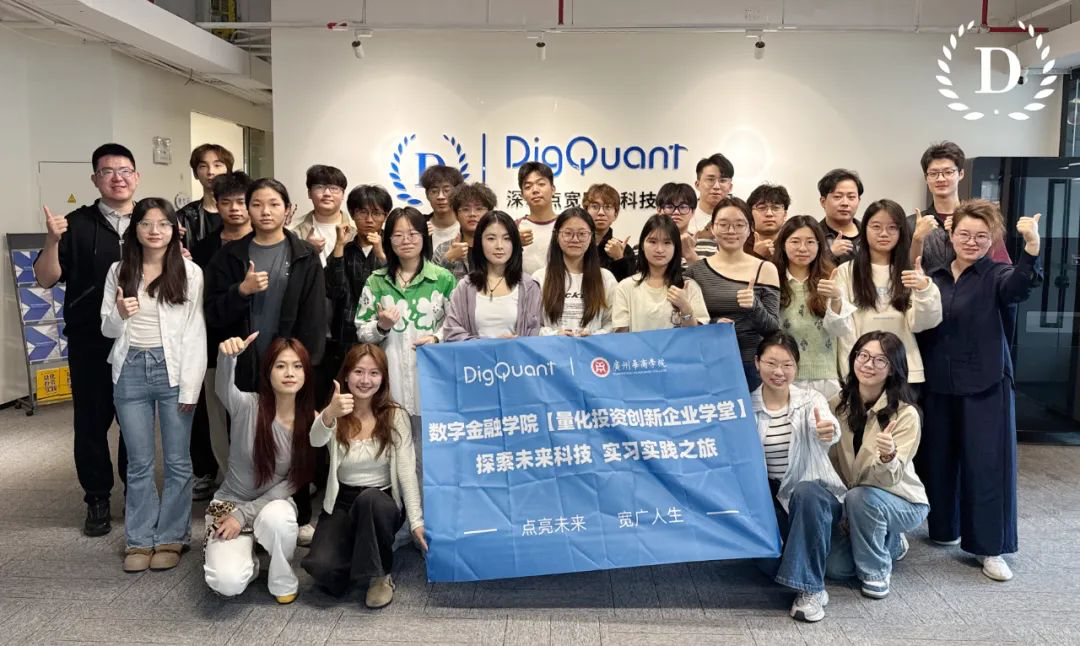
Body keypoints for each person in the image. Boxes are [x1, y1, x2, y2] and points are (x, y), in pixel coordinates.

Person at [915, 199, 1042, 582]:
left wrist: (1031, 247)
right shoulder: (935, 276)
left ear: (992, 240)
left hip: (986, 383)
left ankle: (990, 548)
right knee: (938, 460)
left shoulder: (998, 274)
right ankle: (944, 527)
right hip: (938, 384)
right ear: (951, 235)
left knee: (986, 465)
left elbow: (1019, 286)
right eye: (965, 234)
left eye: (981, 236)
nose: (972, 242)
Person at [203, 177, 326, 545]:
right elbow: (212, 313)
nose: (265, 211)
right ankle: (243, 516)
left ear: (287, 209)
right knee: (248, 442)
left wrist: (303, 367)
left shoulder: (304, 255)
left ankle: (295, 516)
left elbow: (314, 317)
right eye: (257, 204)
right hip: (245, 368)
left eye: (274, 204)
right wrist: (241, 291)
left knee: (294, 441)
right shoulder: (229, 256)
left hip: (288, 369)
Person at [33, 143, 137, 537]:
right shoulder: (76, 224)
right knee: (92, 422)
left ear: (136, 176)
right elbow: (45, 278)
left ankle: (136, 492)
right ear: (95, 179)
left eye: (124, 170)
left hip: (141, 340)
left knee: (136, 422)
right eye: (108, 171)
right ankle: (96, 497)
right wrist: (52, 240)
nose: (117, 178)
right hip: (91, 339)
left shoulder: (152, 220)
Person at [100, 198, 206, 572]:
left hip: (173, 370)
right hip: (130, 368)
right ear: (135, 229)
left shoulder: (189, 271)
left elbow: (195, 332)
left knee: (177, 461)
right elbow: (107, 329)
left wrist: (191, 387)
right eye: (146, 223)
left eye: (163, 224)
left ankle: (172, 536)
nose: (154, 231)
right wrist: (119, 313)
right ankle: (140, 539)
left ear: (174, 229)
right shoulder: (119, 270)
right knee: (139, 462)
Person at [301, 344, 426, 608]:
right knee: (323, 570)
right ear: (346, 375)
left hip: (381, 501)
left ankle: (380, 576)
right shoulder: (337, 410)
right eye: (358, 372)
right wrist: (329, 414)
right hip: (342, 501)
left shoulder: (395, 415)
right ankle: (359, 550)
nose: (365, 380)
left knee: (370, 500)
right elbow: (315, 440)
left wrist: (416, 521)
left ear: (383, 379)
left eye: (374, 373)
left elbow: (407, 472)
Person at [203, 333, 315, 604]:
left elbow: (291, 483)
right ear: (268, 372)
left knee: (280, 519)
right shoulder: (247, 405)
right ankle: (249, 561)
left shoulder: (310, 422)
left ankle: (281, 577)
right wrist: (227, 357)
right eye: (281, 366)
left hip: (271, 504)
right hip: (229, 503)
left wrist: (243, 516)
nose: (290, 373)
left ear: (306, 373)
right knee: (227, 583)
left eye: (297, 366)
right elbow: (222, 387)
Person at [750, 333, 845, 623]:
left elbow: (826, 425)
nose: (779, 371)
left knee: (806, 491)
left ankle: (811, 591)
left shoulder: (811, 400)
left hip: (814, 497)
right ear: (757, 363)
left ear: (796, 367)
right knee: (771, 566)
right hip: (772, 500)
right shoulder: (747, 406)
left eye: (787, 364)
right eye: (771, 363)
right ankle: (806, 567)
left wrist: (828, 430)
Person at [827, 331, 928, 600]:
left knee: (861, 498)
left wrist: (888, 457)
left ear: (893, 368)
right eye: (863, 356)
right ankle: (890, 542)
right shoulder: (838, 405)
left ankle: (876, 571)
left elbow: (889, 479)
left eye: (880, 360)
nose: (868, 364)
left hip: (902, 501)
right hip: (855, 501)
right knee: (836, 568)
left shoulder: (905, 414)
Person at [355, 207, 457, 421]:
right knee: (395, 435)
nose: (406, 241)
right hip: (390, 382)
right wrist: (381, 326)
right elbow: (362, 332)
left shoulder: (443, 279)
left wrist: (436, 338)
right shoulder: (376, 281)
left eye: (413, 234)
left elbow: (457, 325)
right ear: (388, 240)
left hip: (433, 379)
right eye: (398, 235)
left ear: (424, 236)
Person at [831, 200, 941, 388]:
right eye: (876, 226)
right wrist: (851, 371)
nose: (884, 233)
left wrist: (924, 290)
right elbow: (843, 331)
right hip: (861, 372)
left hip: (904, 370)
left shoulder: (910, 272)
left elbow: (922, 323)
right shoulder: (847, 271)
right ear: (864, 229)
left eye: (892, 227)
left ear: (901, 232)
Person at [190, 171, 252, 500]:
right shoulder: (203, 249)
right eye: (226, 202)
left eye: (241, 201)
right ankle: (229, 482)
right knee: (218, 417)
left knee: (255, 416)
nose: (235, 209)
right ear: (216, 204)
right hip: (215, 343)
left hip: (257, 343)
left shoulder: (267, 241)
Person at [685, 196, 781, 391]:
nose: (731, 231)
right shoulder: (695, 271)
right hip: (707, 366)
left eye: (739, 225)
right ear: (712, 228)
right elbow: (685, 324)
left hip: (752, 368)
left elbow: (772, 328)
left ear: (750, 229)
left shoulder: (765, 269)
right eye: (723, 224)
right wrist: (713, 324)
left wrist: (754, 305)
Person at [909, 141, 1011, 274]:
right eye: (933, 173)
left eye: (948, 172)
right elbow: (904, 271)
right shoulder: (911, 224)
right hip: (927, 287)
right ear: (926, 178)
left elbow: (1002, 269)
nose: (940, 179)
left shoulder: (983, 218)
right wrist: (917, 238)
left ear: (961, 174)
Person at [773, 216, 846, 399]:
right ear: (783, 244)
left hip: (825, 376)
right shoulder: (772, 278)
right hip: (783, 376)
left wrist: (836, 298)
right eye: (795, 241)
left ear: (820, 245)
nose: (803, 248)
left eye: (810, 242)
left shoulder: (832, 277)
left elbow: (840, 331)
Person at [443, 211, 542, 340]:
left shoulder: (529, 286)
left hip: (516, 354)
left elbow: (535, 333)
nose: (499, 246)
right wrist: (491, 345)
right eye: (491, 238)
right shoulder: (466, 286)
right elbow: (452, 332)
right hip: (475, 354)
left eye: (507, 239)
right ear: (480, 242)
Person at [326, 185, 390, 368]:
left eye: (376, 213)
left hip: (386, 332)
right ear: (352, 215)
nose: (369, 219)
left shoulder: (394, 248)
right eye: (362, 212)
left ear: (386, 216)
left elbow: (397, 286)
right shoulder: (344, 250)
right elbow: (334, 291)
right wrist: (339, 246)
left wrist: (381, 254)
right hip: (347, 334)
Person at [611, 214, 708, 332]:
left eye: (667, 243)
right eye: (652, 242)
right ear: (642, 245)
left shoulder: (689, 287)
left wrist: (685, 308)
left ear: (676, 247)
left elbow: (699, 336)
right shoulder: (625, 287)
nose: (659, 249)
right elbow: (621, 337)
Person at [534, 207, 618, 336]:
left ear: (591, 237)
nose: (575, 239)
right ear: (556, 235)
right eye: (568, 233)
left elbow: (613, 322)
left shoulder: (606, 278)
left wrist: (593, 335)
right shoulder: (540, 278)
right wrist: (554, 335)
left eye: (582, 234)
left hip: (593, 348)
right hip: (552, 348)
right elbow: (532, 325)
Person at [289, 164, 354, 267]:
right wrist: (305, 249)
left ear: (343, 194)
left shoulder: (356, 229)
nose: (327, 193)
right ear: (309, 193)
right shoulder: (292, 230)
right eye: (319, 187)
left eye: (334, 188)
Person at [433, 182, 497, 280]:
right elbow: (431, 285)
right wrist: (448, 259)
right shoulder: (443, 249)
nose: (472, 214)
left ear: (489, 213)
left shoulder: (498, 247)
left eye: (479, 209)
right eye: (466, 209)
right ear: (456, 214)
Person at [177, 144, 233, 248]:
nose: (210, 172)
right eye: (203, 166)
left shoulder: (242, 212)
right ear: (195, 173)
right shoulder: (185, 216)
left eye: (217, 165)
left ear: (228, 171)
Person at [583, 183, 635, 281]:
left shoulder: (625, 250)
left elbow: (630, 287)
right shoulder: (578, 244)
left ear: (615, 214)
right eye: (595, 206)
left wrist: (619, 258)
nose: (601, 213)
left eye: (607, 207)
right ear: (586, 211)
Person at [656, 182, 716, 265]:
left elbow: (709, 274)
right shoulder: (646, 246)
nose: (676, 212)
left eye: (683, 207)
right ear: (659, 210)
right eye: (669, 207)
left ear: (693, 212)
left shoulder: (709, 248)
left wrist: (690, 254)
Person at [515, 162, 559, 275]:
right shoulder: (515, 227)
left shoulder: (566, 224)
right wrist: (513, 243)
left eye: (541, 184)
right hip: (525, 285)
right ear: (522, 195)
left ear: (553, 189)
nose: (535, 190)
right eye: (528, 187)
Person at [817, 169, 863, 264]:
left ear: (858, 201)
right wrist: (831, 254)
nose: (845, 203)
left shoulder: (869, 234)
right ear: (823, 202)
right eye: (837, 197)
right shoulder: (813, 235)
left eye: (851, 197)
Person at [421, 164, 466, 250]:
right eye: (434, 191)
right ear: (427, 194)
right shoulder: (419, 225)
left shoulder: (466, 225)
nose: (440, 197)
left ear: (457, 193)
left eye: (446, 191)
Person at [690, 153, 735, 235]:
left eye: (722, 181)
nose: (716, 186)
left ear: (730, 187)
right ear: (697, 184)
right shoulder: (684, 215)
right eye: (710, 180)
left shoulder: (740, 217)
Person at [747, 183, 791, 260]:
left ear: (785, 215)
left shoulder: (793, 245)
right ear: (750, 214)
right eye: (762, 208)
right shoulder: (739, 245)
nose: (769, 214)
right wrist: (757, 255)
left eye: (775, 208)